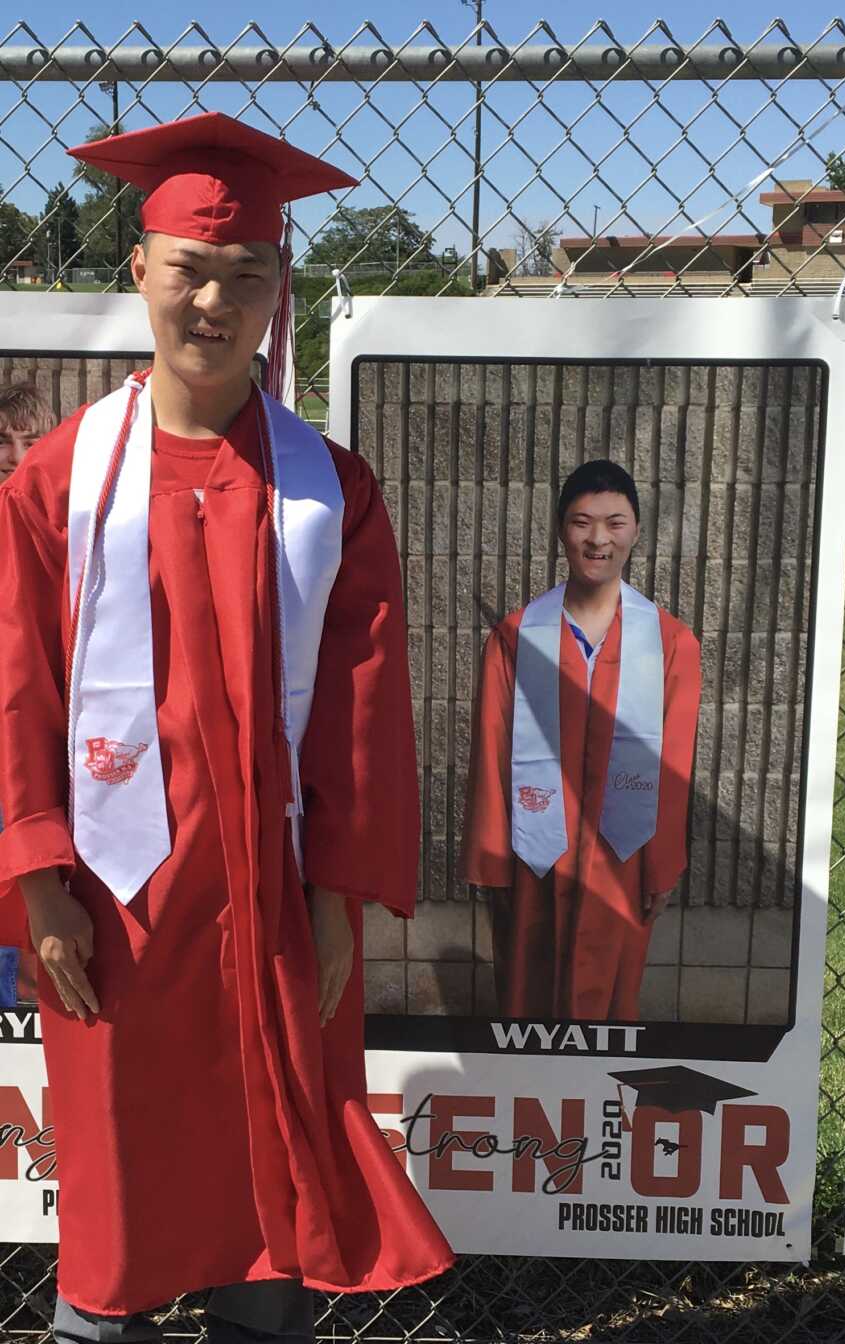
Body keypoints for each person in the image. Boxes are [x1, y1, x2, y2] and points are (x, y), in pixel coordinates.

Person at [0, 112, 453, 1343]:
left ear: (281, 292)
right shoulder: (56, 481)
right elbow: (16, 687)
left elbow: (365, 711)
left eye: (247, 275)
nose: (215, 299)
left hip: (275, 899)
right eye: (190, 269)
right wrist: (37, 878)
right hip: (119, 901)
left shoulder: (328, 491)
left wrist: (339, 894)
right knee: (122, 1192)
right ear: (137, 268)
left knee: (272, 1187)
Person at [462, 459, 701, 1021]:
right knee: (527, 999)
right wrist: (493, 860)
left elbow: (675, 764)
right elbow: (492, 751)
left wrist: (661, 864)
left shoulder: (669, 643)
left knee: (611, 1013)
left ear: (636, 531)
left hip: (624, 856)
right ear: (561, 530)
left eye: (615, 523)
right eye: (582, 522)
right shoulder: (517, 637)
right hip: (534, 853)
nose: (599, 539)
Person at [0, 382, 54, 1005]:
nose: (16, 457)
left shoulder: (70, 537)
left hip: (39, 757)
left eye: (31, 441)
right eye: (4, 442)